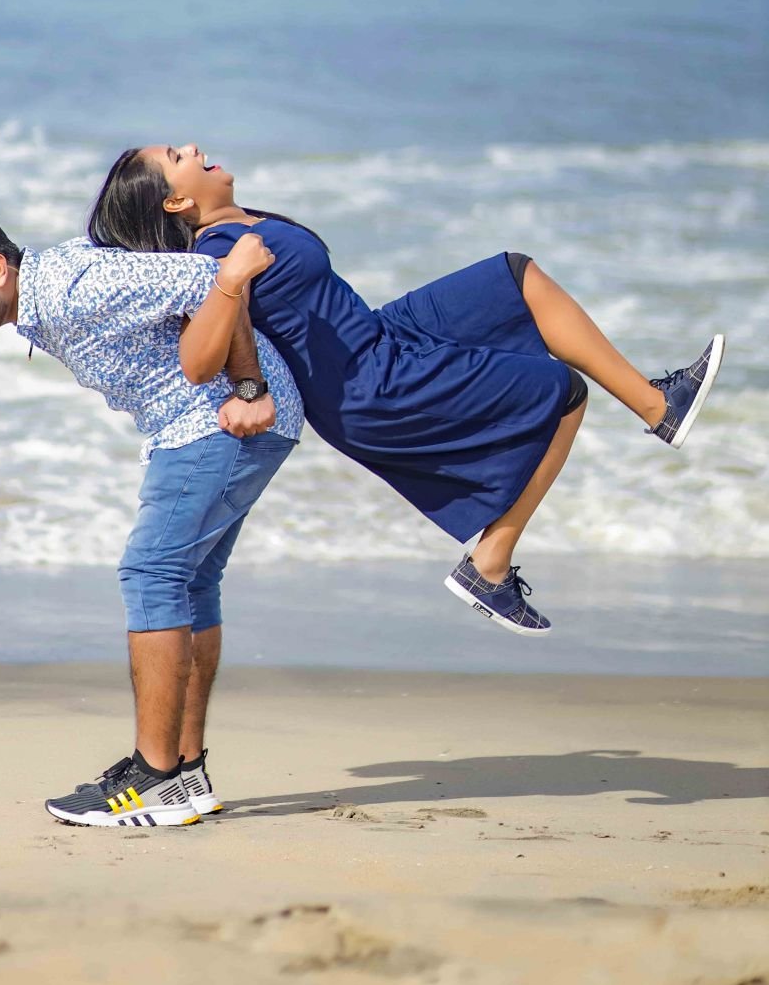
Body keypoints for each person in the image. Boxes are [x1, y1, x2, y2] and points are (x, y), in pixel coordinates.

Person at [87, 144, 726, 637]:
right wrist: (234, 310)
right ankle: (491, 562)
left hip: (375, 333)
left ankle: (658, 405)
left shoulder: (240, 223)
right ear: (175, 203)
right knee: (562, 391)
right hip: (369, 382)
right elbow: (197, 359)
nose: (194, 149)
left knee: (514, 275)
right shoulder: (218, 251)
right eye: (177, 158)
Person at [0, 196, 303, 827]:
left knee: (151, 576)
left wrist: (248, 386)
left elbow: (210, 277)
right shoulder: (50, 287)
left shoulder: (69, 289)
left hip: (215, 422)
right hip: (218, 424)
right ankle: (185, 772)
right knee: (190, 582)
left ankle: (155, 778)